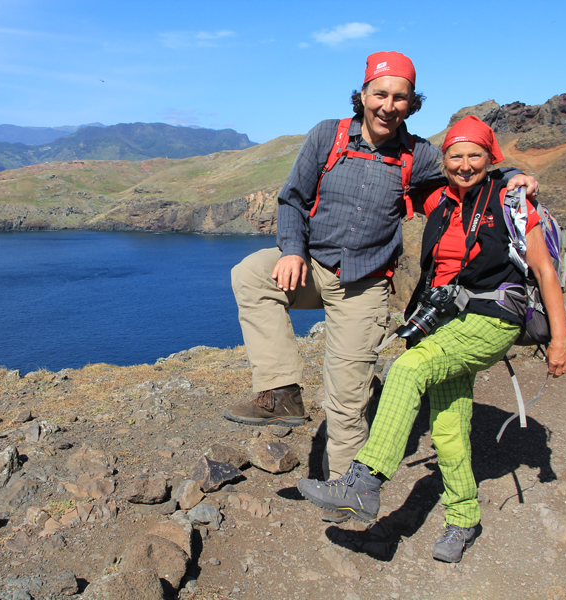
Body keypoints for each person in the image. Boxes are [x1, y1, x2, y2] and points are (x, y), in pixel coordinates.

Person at [223, 51, 538, 522]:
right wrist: (290, 249)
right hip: (312, 266)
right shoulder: (326, 136)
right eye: (381, 94)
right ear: (363, 95)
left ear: (412, 104)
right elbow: (292, 199)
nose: (389, 105)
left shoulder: (420, 155)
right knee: (250, 271)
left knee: (346, 401)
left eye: (400, 97)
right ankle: (281, 391)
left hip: (365, 286)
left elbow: (470, 170)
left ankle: (345, 492)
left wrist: (514, 176)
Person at [297, 115, 566, 562]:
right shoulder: (440, 201)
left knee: (407, 369)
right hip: (446, 322)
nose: (465, 165)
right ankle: (464, 520)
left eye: (475, 156)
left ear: (491, 157)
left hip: (492, 318)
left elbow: (543, 270)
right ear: (443, 161)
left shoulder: (513, 200)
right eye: (455, 156)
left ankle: (363, 482)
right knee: (447, 427)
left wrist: (560, 340)